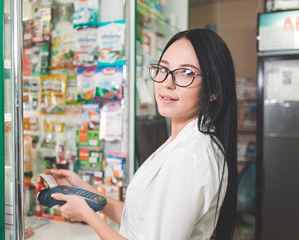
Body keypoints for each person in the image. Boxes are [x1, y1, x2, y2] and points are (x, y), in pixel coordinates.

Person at [44, 28, 237, 240]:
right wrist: (83, 189)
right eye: (163, 69)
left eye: (187, 73)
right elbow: (138, 219)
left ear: (213, 91)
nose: (167, 83)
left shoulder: (188, 157)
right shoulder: (184, 141)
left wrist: (86, 214)